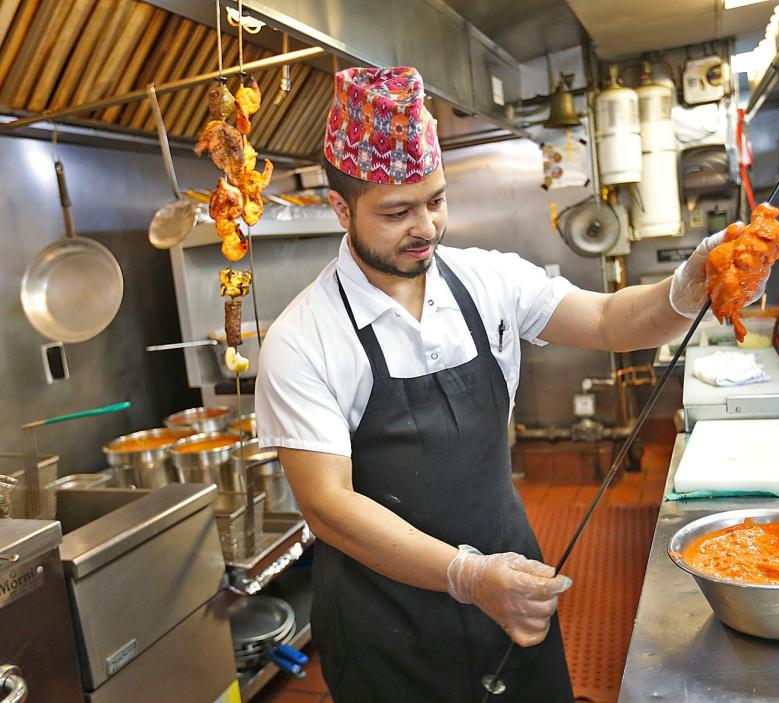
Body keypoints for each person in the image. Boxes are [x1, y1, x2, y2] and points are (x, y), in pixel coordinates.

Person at [255, 66, 750, 703]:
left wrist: (687, 288)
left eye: (435, 201)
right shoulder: (304, 337)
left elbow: (606, 319)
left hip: (511, 578)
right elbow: (328, 506)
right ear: (340, 209)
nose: (426, 227)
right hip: (388, 621)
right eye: (397, 212)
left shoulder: (486, 281)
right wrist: (465, 575)